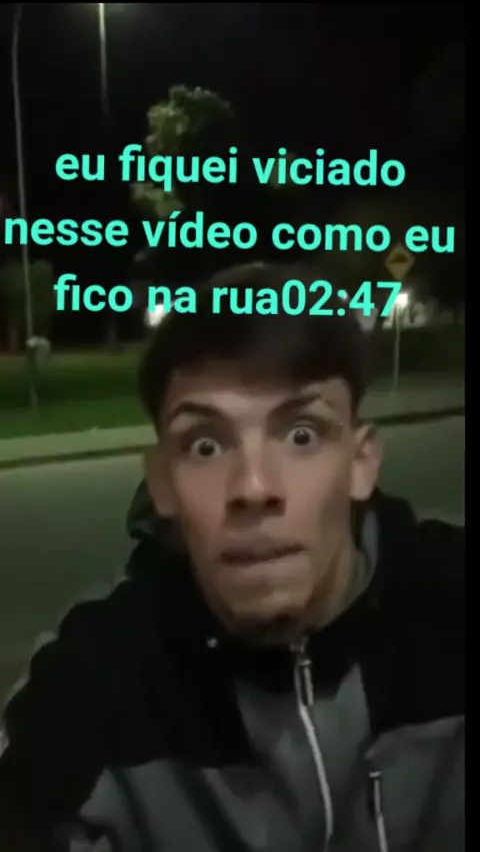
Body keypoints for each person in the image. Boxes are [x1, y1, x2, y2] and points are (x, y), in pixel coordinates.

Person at [0, 263, 464, 851]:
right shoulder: (88, 681)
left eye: (302, 435)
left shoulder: (451, 604)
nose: (253, 487)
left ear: (361, 461)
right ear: (162, 483)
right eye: (205, 445)